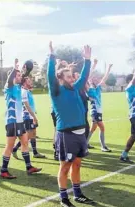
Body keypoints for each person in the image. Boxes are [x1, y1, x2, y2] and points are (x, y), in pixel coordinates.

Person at [48, 41, 94, 207]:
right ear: (60, 78)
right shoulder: (56, 91)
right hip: (66, 134)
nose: (72, 78)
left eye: (71, 76)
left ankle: (78, 194)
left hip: (80, 133)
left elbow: (83, 77)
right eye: (68, 76)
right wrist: (52, 56)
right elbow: (50, 76)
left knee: (77, 164)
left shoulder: (75, 88)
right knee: (65, 166)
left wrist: (87, 60)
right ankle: (63, 198)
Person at [0, 59, 42, 179]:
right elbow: (10, 79)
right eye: (18, 75)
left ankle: (29, 167)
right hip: (11, 121)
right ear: (13, 76)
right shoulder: (9, 86)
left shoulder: (18, 86)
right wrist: (14, 68)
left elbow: (24, 76)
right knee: (9, 146)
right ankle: (3, 170)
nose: (21, 77)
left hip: (19, 121)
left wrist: (28, 69)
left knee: (24, 141)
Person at [12, 76, 45, 159]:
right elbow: (26, 105)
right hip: (27, 117)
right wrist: (34, 116)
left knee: (33, 134)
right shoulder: (24, 91)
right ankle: (15, 149)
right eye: (28, 81)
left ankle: (35, 152)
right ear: (24, 83)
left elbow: (30, 104)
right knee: (28, 136)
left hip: (31, 115)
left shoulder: (27, 91)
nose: (31, 81)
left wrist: (34, 112)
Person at [86, 62, 113, 152]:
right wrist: (94, 64)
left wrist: (108, 68)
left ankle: (84, 144)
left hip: (99, 111)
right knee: (102, 127)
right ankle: (103, 146)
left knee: (93, 129)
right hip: (95, 111)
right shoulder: (88, 88)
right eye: (93, 78)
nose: (96, 79)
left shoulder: (97, 87)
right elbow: (87, 75)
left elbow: (105, 78)